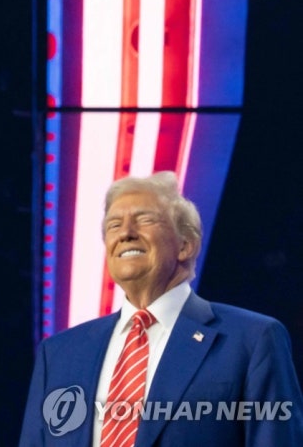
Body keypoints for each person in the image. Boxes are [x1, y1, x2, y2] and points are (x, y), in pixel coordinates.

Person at [18, 171, 303, 446]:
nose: (126, 233)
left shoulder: (252, 340)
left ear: (185, 245)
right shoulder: (58, 354)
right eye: (114, 225)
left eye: (144, 219)